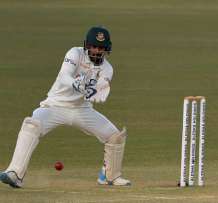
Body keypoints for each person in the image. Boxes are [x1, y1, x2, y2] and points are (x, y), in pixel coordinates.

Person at [0, 26, 131, 188]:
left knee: (115, 137)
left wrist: (96, 89)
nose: (97, 51)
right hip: (55, 105)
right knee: (31, 124)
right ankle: (15, 173)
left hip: (82, 110)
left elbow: (101, 86)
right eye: (94, 46)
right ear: (87, 46)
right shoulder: (74, 53)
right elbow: (64, 76)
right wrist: (75, 84)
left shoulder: (107, 68)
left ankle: (109, 176)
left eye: (101, 48)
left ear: (107, 49)